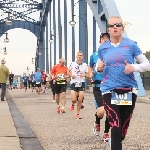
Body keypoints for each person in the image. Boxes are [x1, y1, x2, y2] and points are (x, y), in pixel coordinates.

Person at [97, 16, 150, 150]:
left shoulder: (131, 44)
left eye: (118, 25)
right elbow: (100, 65)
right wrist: (99, 68)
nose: (115, 27)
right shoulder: (103, 48)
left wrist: (133, 67)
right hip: (109, 90)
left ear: (122, 28)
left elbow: (146, 65)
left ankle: (115, 142)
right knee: (115, 126)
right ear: (108, 29)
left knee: (122, 129)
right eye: (112, 25)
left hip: (129, 90)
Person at [89, 33, 110, 141]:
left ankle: (106, 133)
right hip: (98, 86)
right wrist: (90, 74)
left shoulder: (113, 54)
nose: (105, 41)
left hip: (110, 85)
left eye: (107, 39)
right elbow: (90, 67)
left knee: (110, 111)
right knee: (101, 111)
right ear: (100, 41)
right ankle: (97, 121)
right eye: (103, 39)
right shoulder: (94, 55)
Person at [67, 51, 88, 119]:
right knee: (73, 99)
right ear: (76, 57)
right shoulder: (72, 64)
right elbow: (68, 71)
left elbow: (87, 74)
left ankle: (78, 113)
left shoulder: (85, 65)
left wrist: (84, 75)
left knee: (80, 98)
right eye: (78, 55)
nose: (79, 57)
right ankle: (73, 104)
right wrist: (71, 75)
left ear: (83, 57)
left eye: (81, 55)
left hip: (81, 82)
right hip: (74, 82)